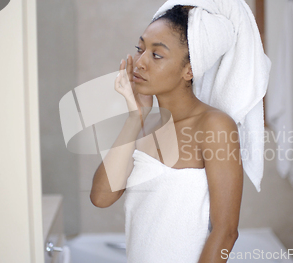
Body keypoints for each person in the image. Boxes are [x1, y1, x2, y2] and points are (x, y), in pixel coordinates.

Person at [90, 5, 243, 263]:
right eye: (140, 49)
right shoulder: (145, 127)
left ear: (189, 70)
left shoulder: (214, 126)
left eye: (157, 55)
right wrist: (134, 118)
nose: (139, 63)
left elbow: (226, 232)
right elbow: (101, 197)